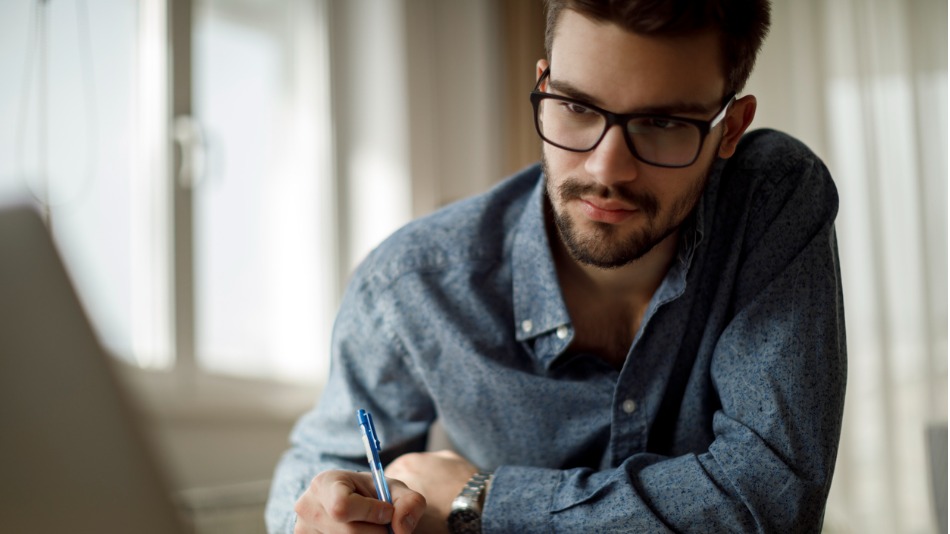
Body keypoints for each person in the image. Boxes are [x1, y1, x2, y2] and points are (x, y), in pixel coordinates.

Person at [266, 0, 847, 532]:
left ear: (731, 129)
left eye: (663, 123)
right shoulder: (412, 281)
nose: (606, 168)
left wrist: (484, 501)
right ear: (543, 84)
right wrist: (324, 514)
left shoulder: (771, 198)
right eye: (575, 106)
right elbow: (316, 471)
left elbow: (773, 502)